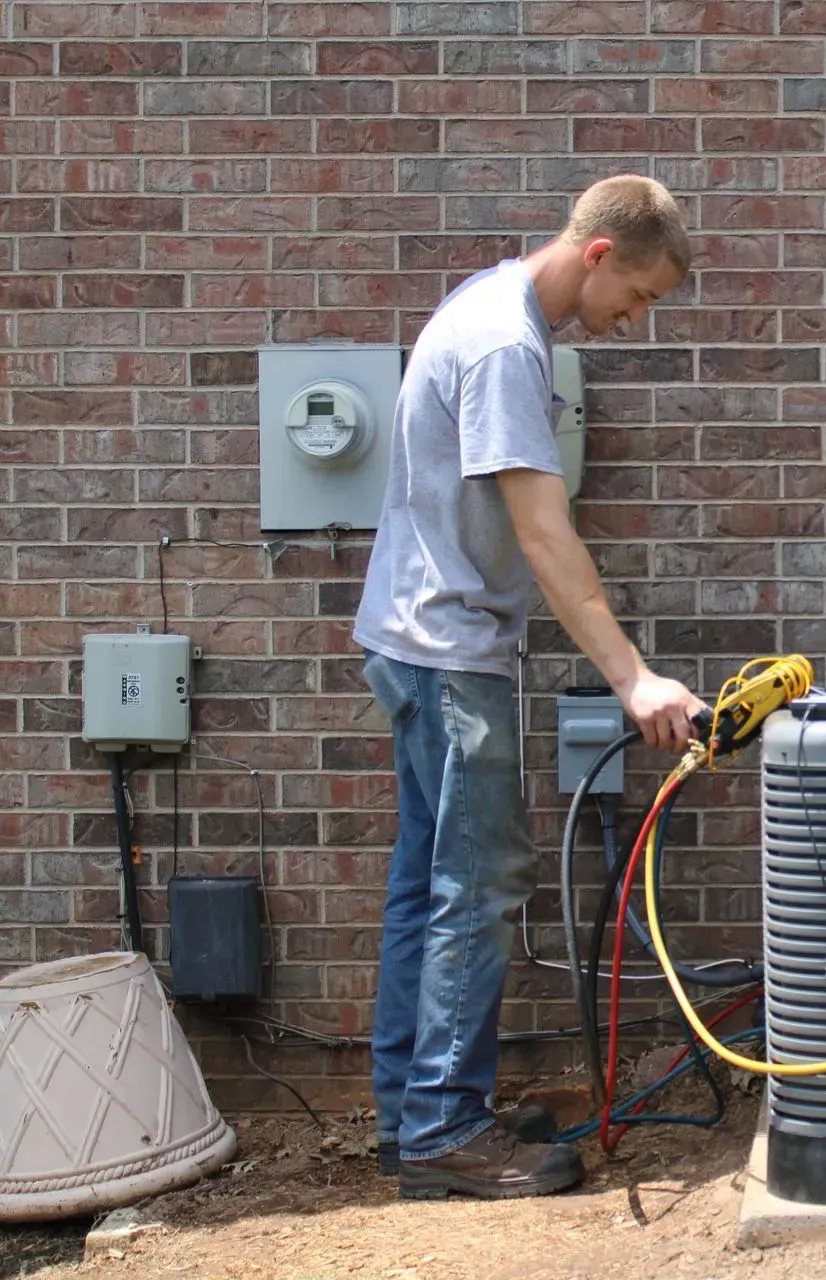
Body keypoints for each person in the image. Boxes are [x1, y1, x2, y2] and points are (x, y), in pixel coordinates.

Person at [352, 174, 706, 1201]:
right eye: (635, 299)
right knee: (480, 883)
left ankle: (409, 1114)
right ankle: (444, 1134)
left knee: (427, 883)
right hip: (450, 652)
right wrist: (632, 677)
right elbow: (544, 530)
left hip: (414, 638)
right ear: (598, 255)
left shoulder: (490, 305)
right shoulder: (510, 343)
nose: (632, 323)